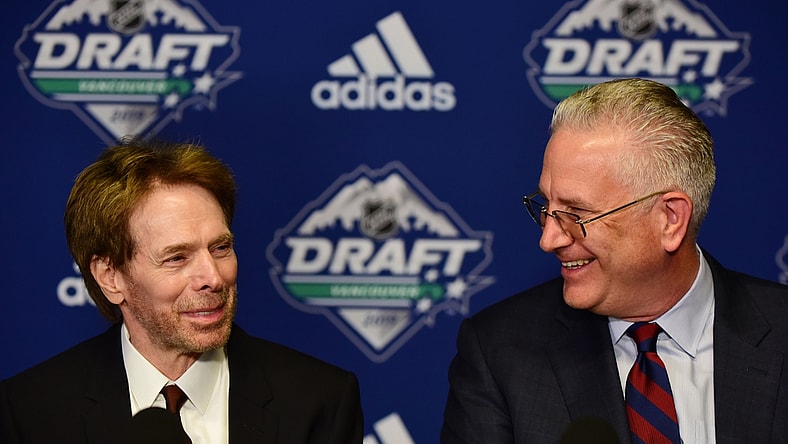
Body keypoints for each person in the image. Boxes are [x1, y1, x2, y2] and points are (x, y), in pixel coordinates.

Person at [441, 78, 788, 443]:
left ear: (670, 219)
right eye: (546, 207)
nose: (548, 239)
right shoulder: (500, 352)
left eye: (577, 213)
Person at [0, 138, 364, 443]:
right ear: (110, 277)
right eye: (176, 258)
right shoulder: (31, 412)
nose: (213, 277)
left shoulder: (321, 402)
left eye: (220, 248)